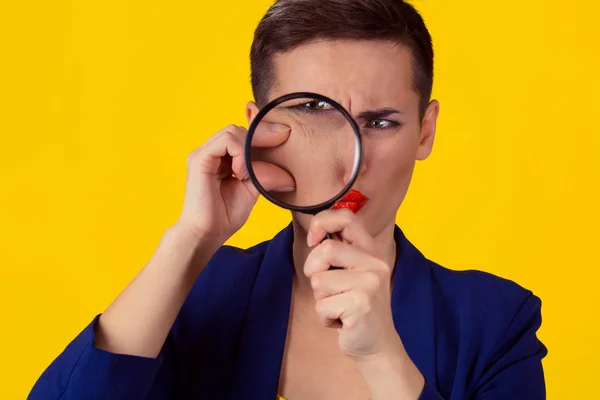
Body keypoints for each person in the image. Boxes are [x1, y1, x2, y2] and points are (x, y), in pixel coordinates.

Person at [28, 1, 547, 399]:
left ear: (425, 132)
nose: (351, 163)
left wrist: (383, 359)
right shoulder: (194, 296)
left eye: (382, 122)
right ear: (259, 128)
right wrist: (190, 240)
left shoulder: (496, 322)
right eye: (313, 112)